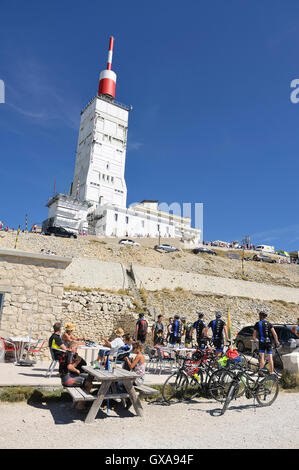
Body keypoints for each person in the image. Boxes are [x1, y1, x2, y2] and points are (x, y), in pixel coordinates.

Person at [59, 341, 93, 410]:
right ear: (71, 348)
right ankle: (80, 405)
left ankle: (80, 402)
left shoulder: (64, 353)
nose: (76, 350)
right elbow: (69, 367)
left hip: (63, 378)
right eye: (76, 348)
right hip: (68, 380)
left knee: (84, 380)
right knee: (89, 384)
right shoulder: (70, 354)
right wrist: (76, 370)